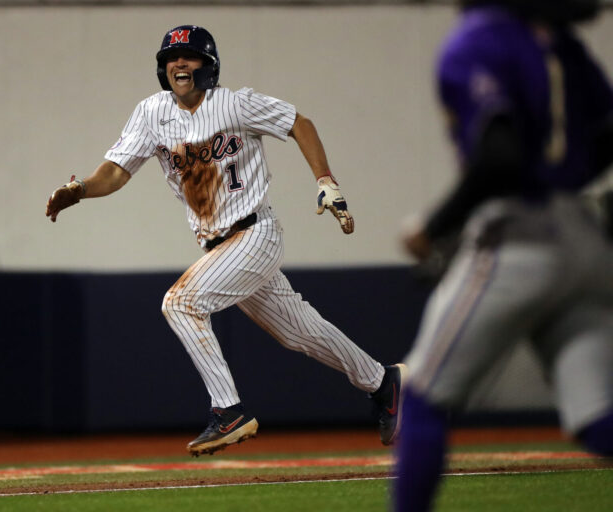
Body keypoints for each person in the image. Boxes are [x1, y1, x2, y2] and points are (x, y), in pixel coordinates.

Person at [46, 25, 406, 456]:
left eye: (189, 55)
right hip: (221, 248)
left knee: (180, 303)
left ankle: (228, 411)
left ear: (208, 65)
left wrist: (325, 180)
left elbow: (299, 123)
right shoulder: (151, 113)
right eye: (171, 57)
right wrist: (81, 189)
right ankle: (383, 382)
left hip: (256, 232)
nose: (179, 63)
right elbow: (116, 171)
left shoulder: (235, 103)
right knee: (299, 332)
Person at [394, 1, 613, 510]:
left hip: (519, 235)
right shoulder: (564, 44)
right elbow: (604, 140)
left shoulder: (476, 38)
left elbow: (500, 158)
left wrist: (433, 227)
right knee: (599, 422)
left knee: (423, 397)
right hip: (585, 238)